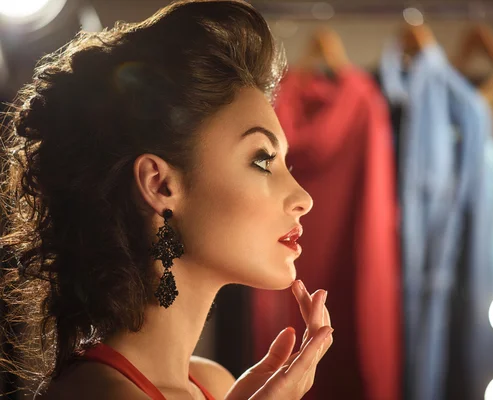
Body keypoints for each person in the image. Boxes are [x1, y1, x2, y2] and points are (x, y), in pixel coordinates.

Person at [0, 1, 333, 399]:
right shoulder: (99, 394)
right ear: (159, 185)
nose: (304, 199)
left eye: (286, 164)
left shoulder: (215, 385)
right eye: (263, 160)